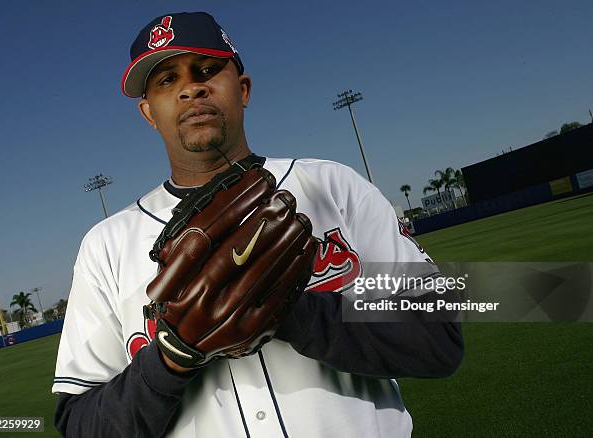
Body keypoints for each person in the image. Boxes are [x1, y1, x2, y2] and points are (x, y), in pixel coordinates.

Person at [52, 12, 463, 437]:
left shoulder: (333, 186)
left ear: (242, 89)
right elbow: (81, 424)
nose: (192, 87)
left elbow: (440, 339)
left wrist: (288, 308)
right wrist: (172, 357)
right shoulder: (106, 246)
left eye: (208, 69)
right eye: (166, 80)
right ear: (148, 113)